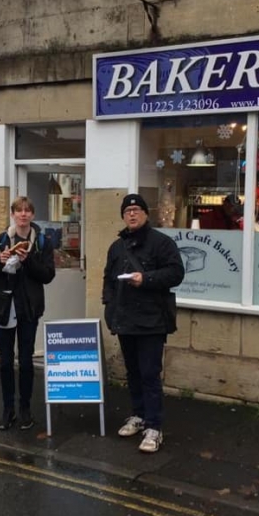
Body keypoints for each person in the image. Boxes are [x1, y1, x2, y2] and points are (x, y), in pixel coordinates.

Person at [102, 194, 185, 453]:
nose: (132, 214)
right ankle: (138, 416)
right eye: (128, 211)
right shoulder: (117, 247)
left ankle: (154, 427)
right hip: (125, 320)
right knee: (133, 372)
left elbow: (176, 273)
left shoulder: (161, 243)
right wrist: (109, 307)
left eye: (137, 210)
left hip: (151, 321)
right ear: (123, 216)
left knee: (149, 374)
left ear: (146, 214)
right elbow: (108, 279)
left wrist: (146, 279)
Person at [0, 196, 56, 431]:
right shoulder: (2, 239)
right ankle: (7, 409)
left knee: (25, 360)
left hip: (28, 308)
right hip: (3, 307)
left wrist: (28, 260)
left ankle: (25, 409)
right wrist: (0, 261)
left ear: (32, 215)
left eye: (27, 211)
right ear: (13, 214)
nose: (23, 215)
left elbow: (48, 275)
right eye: (19, 211)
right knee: (5, 361)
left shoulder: (43, 242)